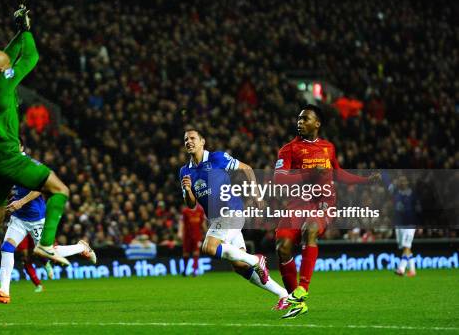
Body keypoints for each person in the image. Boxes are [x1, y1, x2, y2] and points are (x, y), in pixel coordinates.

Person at [0, 5, 72, 307]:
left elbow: (2, 58)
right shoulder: (5, 82)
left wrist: (17, 31)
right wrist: (27, 31)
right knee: (60, 189)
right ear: (1, 70)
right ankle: (46, 245)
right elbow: (31, 57)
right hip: (7, 155)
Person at [274, 104, 381, 319]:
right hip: (297, 204)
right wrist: (310, 174)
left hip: (322, 203)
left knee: (310, 229)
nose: (300, 122)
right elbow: (279, 178)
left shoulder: (328, 147)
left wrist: (364, 181)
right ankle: (296, 302)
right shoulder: (288, 149)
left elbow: (338, 173)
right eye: (299, 119)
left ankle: (302, 288)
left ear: (317, 123)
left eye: (305, 119)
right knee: (282, 247)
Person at [179, 128, 289, 310]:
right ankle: (283, 295)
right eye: (185, 139)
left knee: (208, 247)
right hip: (217, 219)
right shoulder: (184, 171)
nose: (188, 142)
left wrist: (256, 195)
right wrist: (188, 191)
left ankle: (256, 260)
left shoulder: (217, 158)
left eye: (192, 138)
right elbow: (191, 205)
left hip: (231, 210)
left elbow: (246, 168)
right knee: (239, 265)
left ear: (202, 141)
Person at [0, 145, 97, 304]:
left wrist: (21, 202)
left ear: (21, 147)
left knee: (47, 252)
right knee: (6, 248)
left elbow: (41, 187)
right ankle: (4, 292)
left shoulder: (29, 165)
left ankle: (82, 248)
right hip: (19, 218)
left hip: (36, 218)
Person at [382, 172, 418, 277]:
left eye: (404, 180)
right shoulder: (396, 192)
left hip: (410, 224)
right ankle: (412, 270)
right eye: (401, 180)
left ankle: (401, 269)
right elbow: (388, 185)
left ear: (407, 182)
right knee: (405, 248)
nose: (402, 182)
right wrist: (384, 174)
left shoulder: (412, 194)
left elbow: (417, 209)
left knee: (406, 246)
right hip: (399, 224)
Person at [179, 203, 206, 277]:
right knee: (186, 254)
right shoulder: (185, 211)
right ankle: (185, 270)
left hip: (197, 235)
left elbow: (203, 222)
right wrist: (180, 232)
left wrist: (206, 232)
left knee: (196, 253)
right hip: (187, 236)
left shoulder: (200, 210)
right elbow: (181, 222)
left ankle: (194, 271)